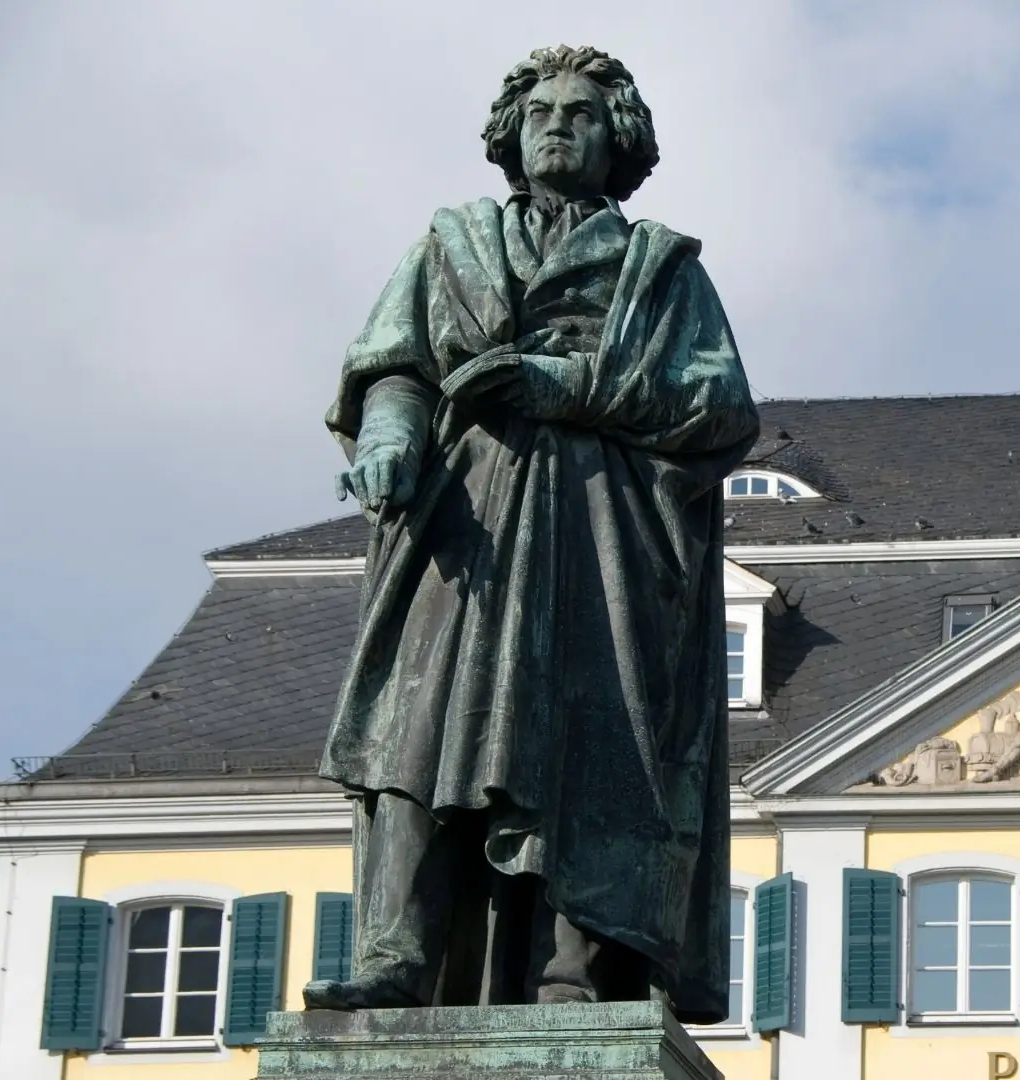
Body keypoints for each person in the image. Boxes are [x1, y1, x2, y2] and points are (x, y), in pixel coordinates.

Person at [306, 46, 758, 1022]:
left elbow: (718, 406)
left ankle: (578, 977)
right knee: (418, 735)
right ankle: (399, 956)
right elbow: (395, 363)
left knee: (597, 754)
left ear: (619, 140)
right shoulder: (452, 244)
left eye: (584, 113)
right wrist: (387, 431)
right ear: (509, 133)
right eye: (542, 109)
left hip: (607, 544)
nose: (559, 123)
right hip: (462, 533)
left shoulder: (663, 273)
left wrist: (567, 387)